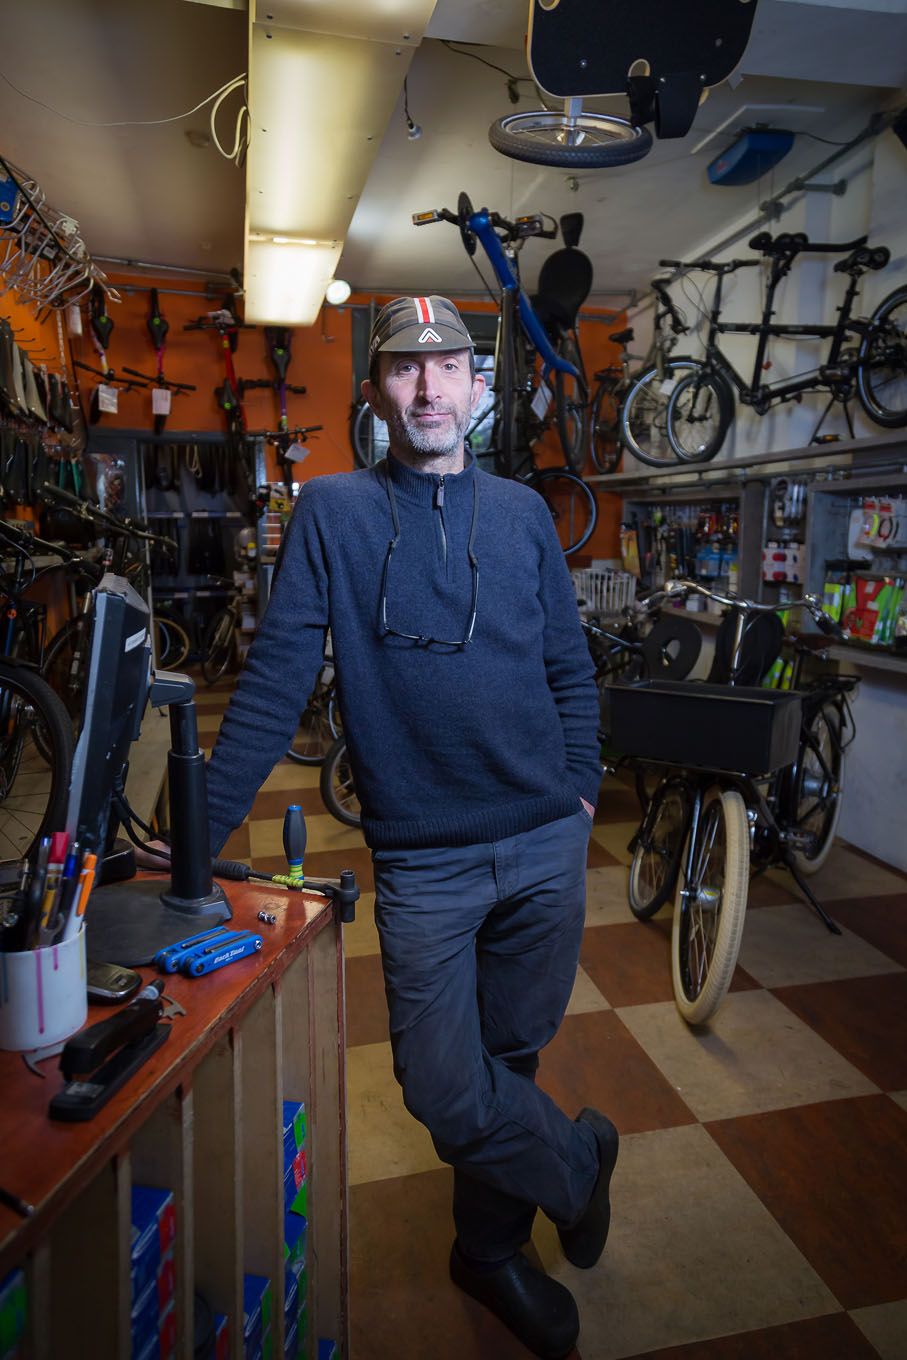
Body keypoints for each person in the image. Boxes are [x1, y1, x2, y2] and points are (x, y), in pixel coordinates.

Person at [201, 296, 618, 1360]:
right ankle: (575, 1163)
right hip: (425, 857)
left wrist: (579, 792)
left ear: (481, 391)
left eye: (451, 366)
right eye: (404, 368)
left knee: (508, 1059)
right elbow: (275, 678)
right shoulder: (333, 514)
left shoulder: (524, 514)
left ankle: (483, 1253)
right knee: (441, 1086)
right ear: (378, 392)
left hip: (541, 841)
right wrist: (198, 825)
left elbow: (571, 669)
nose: (429, 387)